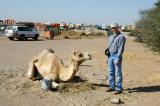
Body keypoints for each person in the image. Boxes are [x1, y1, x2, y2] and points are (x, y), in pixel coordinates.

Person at [106, 23, 126, 95]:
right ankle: (111, 86)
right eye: (112, 28)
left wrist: (118, 58)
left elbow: (121, 48)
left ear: (118, 28)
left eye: (115, 27)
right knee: (110, 72)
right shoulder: (111, 37)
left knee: (118, 73)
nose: (113, 29)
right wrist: (107, 58)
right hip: (110, 56)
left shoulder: (121, 37)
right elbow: (109, 47)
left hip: (116, 56)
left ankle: (118, 88)